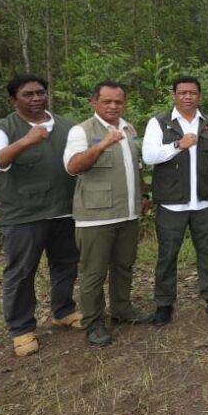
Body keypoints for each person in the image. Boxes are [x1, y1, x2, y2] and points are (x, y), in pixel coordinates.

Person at [0, 74, 81, 357]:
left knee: (66, 263)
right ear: (14, 100)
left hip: (64, 210)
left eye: (40, 93)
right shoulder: (2, 129)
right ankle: (21, 328)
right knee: (22, 272)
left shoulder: (66, 126)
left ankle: (64, 310)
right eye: (28, 94)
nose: (36, 98)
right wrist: (26, 140)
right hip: (24, 215)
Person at [64, 81, 152, 346]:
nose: (113, 106)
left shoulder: (129, 128)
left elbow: (134, 166)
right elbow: (73, 166)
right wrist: (102, 144)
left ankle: (122, 309)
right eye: (107, 101)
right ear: (94, 102)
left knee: (124, 265)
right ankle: (93, 322)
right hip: (96, 216)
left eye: (118, 101)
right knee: (94, 272)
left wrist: (143, 194)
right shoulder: (81, 130)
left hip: (127, 213)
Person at [141, 76, 208, 326]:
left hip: (203, 203)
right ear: (174, 96)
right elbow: (149, 156)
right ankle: (164, 303)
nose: (188, 97)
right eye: (182, 93)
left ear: (199, 96)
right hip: (172, 204)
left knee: (207, 252)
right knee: (167, 255)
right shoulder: (159, 123)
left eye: (192, 93)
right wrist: (179, 144)